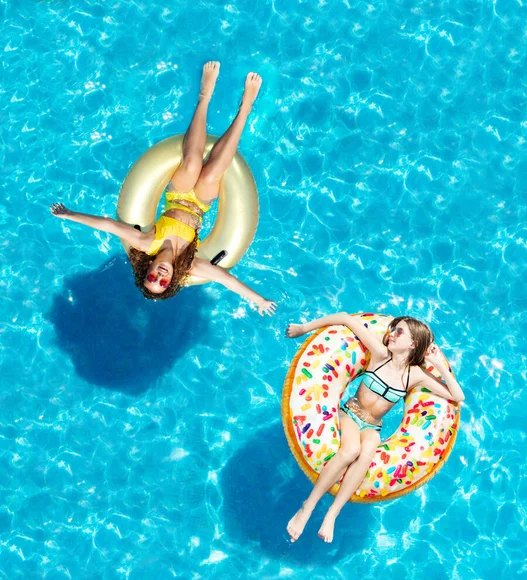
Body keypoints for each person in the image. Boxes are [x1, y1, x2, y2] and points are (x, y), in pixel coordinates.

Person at [51, 62, 276, 316]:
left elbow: (108, 225)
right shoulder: (189, 266)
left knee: (191, 164)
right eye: (162, 283)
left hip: (178, 195)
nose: (159, 276)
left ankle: (205, 96)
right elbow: (226, 280)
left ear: (147, 269)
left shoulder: (147, 243)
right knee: (212, 172)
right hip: (201, 203)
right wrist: (257, 299)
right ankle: (244, 108)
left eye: (152, 277)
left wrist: (69, 214)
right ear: (170, 282)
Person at [285, 313, 465, 543]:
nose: (392, 334)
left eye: (399, 332)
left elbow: (457, 396)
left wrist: (439, 364)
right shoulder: (380, 355)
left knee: (368, 451)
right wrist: (303, 328)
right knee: (350, 451)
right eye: (393, 329)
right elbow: (346, 319)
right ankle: (307, 508)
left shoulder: (416, 375)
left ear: (413, 344)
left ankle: (332, 514)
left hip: (372, 426)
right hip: (351, 413)